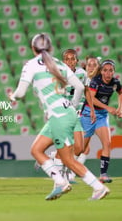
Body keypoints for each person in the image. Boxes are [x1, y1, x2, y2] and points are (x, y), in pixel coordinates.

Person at [9, 33, 109, 201]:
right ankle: (58, 182)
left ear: (33, 49)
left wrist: (12, 96)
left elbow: (20, 92)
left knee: (68, 159)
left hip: (57, 116)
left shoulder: (31, 65)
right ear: (50, 48)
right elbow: (79, 86)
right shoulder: (59, 64)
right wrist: (72, 106)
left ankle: (97, 187)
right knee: (37, 149)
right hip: (69, 112)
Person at [49, 49, 96, 183]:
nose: (70, 61)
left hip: (78, 115)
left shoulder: (82, 74)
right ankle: (63, 177)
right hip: (64, 115)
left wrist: (91, 109)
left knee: (80, 148)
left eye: (72, 58)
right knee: (67, 145)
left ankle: (54, 157)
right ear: (63, 61)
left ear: (77, 61)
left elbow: (87, 90)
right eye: (67, 59)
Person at [80, 59, 122, 183]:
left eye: (111, 70)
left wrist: (120, 107)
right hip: (89, 113)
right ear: (101, 71)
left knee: (107, 143)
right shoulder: (96, 81)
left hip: (102, 116)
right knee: (81, 149)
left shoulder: (115, 82)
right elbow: (91, 99)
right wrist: (108, 107)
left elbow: (120, 92)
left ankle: (103, 174)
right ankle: (57, 157)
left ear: (114, 71)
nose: (108, 73)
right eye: (105, 70)